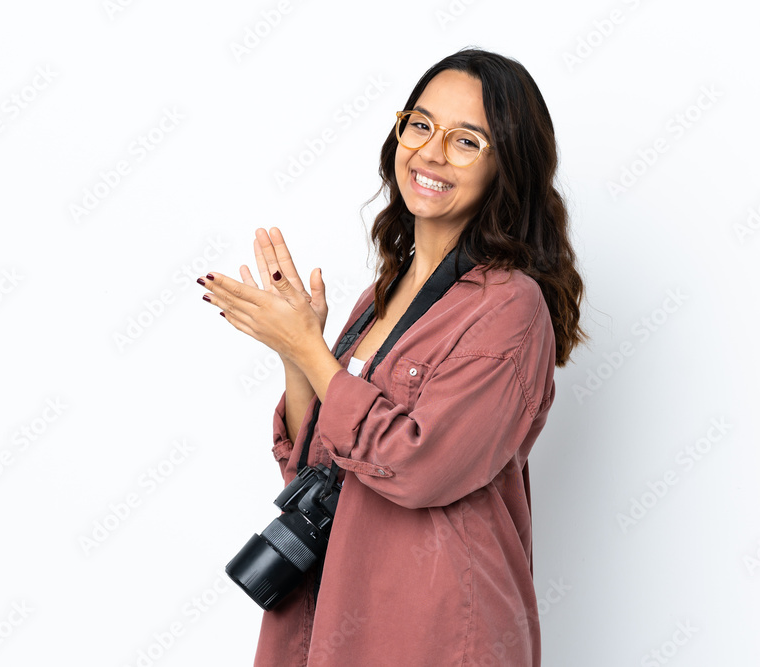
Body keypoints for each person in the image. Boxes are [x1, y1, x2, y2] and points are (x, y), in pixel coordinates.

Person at [198, 46, 586, 666]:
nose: (431, 153)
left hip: (434, 626)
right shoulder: (381, 295)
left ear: (505, 167)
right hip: (334, 608)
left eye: (467, 141)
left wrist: (305, 345)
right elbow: (316, 469)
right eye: (421, 125)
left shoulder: (512, 307)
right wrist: (299, 352)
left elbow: (419, 464)